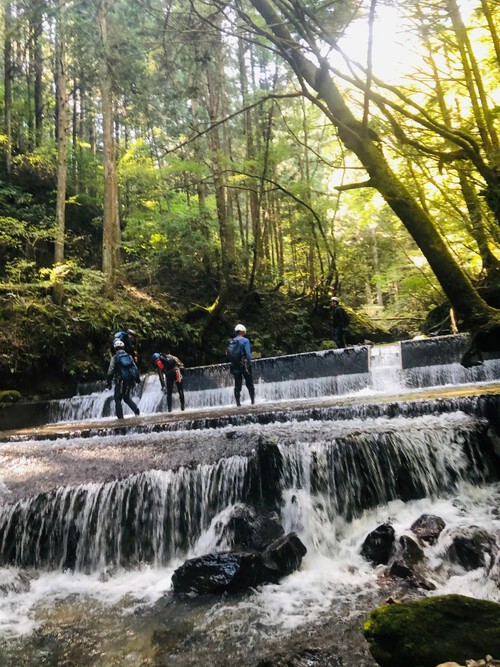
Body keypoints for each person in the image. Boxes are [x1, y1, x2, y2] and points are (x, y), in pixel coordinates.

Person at [106, 339, 141, 419]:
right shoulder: (129, 356)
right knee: (126, 397)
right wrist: (137, 379)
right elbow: (135, 368)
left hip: (120, 381)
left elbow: (110, 370)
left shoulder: (115, 357)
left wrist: (108, 382)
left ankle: (120, 419)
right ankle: (137, 411)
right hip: (129, 381)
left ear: (115, 348)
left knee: (117, 399)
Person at [228, 324, 255, 407]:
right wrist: (249, 363)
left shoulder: (232, 341)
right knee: (249, 382)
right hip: (244, 364)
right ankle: (252, 401)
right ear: (243, 331)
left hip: (235, 365)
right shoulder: (245, 340)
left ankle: (238, 403)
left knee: (237, 384)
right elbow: (247, 354)